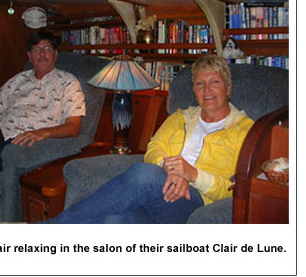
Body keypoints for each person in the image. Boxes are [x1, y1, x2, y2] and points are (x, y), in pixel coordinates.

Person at [48, 54, 254, 223]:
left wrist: (192, 175)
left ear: (228, 88)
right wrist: (172, 171)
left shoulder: (247, 131)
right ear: (194, 90)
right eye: (200, 83)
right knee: (114, 222)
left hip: (195, 201)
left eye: (214, 82)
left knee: (144, 174)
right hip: (161, 190)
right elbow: (154, 147)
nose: (206, 90)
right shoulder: (181, 117)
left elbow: (235, 188)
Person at [0, 30, 86, 221]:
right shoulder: (17, 80)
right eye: (36, 49)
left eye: (47, 48)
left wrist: (43, 133)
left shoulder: (68, 83)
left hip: (25, 140)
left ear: (55, 54)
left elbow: (73, 127)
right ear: (29, 56)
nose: (42, 54)